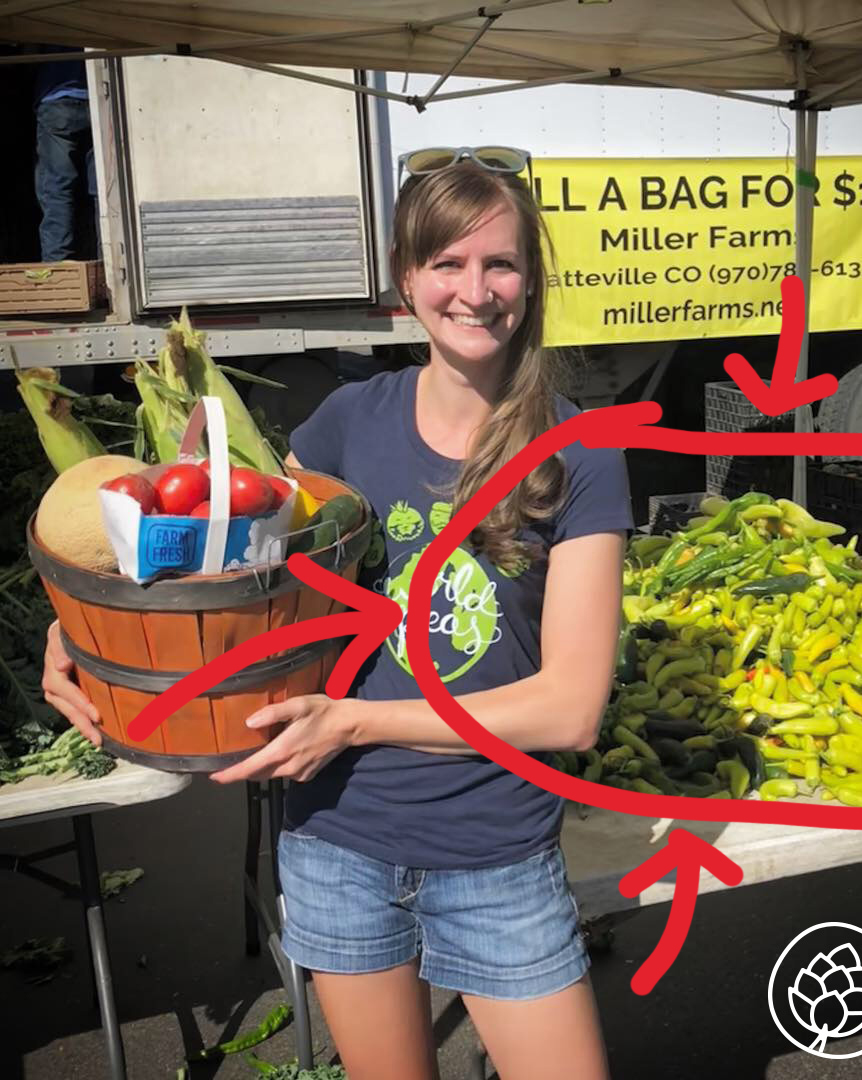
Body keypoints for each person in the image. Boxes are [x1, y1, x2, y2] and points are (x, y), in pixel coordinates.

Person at [43, 146, 631, 1079]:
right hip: (339, 842)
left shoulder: (581, 454)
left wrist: (354, 718)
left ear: (531, 280)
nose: (474, 290)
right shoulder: (344, 427)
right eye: (447, 263)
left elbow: (569, 709)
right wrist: (82, 636)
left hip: (495, 851)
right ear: (408, 281)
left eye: (500, 262)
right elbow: (220, 571)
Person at [32, 45, 98, 262]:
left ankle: (57, 266)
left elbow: (30, 48)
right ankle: (108, 261)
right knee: (102, 191)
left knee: (56, 188)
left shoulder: (45, 16)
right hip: (99, 98)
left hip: (57, 101)